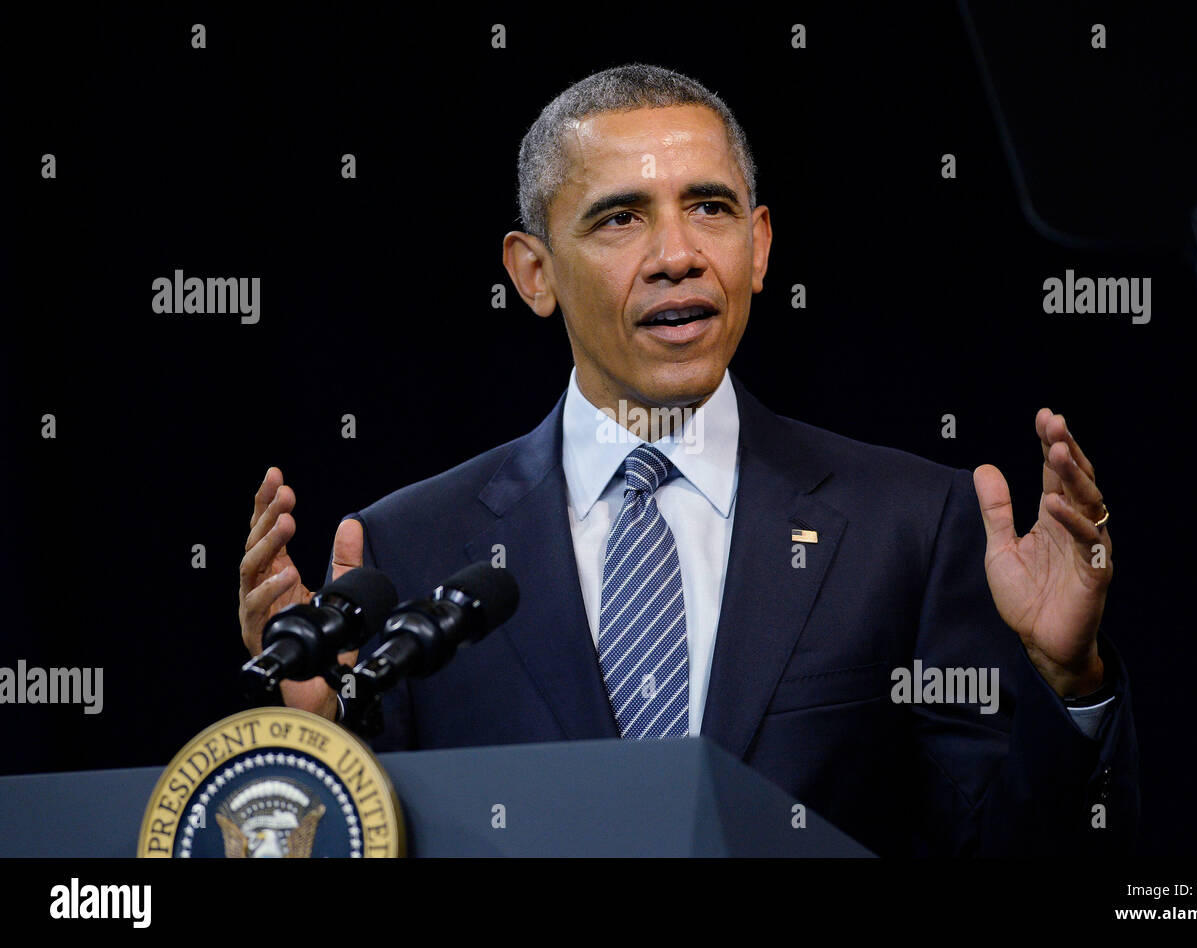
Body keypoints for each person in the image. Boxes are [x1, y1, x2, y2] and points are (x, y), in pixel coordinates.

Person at [237, 64, 1136, 856]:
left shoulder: (908, 524)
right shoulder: (411, 548)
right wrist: (316, 748)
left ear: (761, 246)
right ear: (533, 273)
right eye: (620, 218)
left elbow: (992, 848)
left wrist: (1070, 688)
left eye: (711, 208)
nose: (677, 256)